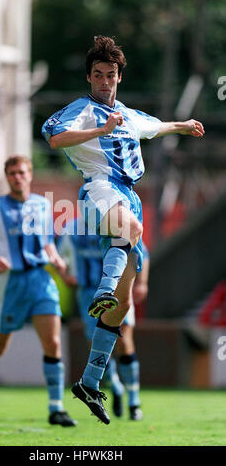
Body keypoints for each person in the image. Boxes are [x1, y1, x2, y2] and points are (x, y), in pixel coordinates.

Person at [42, 35, 204, 424]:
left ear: (118, 78)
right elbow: (53, 137)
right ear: (88, 77)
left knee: (125, 303)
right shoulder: (82, 110)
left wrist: (181, 125)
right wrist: (98, 132)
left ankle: (90, 382)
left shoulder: (128, 115)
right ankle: (102, 291)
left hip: (129, 195)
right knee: (127, 230)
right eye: (98, 75)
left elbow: (154, 127)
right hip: (98, 187)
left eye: (110, 75)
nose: (104, 81)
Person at [0, 155, 77, 428]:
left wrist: (57, 261)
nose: (17, 177)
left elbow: (48, 243)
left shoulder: (42, 205)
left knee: (53, 343)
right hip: (11, 283)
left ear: (30, 174)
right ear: (7, 177)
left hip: (40, 280)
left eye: (22, 172)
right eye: (12, 173)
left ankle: (56, 408)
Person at [58, 217, 149, 421]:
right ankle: (115, 385)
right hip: (88, 292)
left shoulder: (120, 221)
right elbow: (59, 256)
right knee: (96, 345)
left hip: (119, 290)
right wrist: (65, 275)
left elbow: (142, 251)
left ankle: (134, 401)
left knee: (125, 342)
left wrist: (142, 282)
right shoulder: (72, 229)